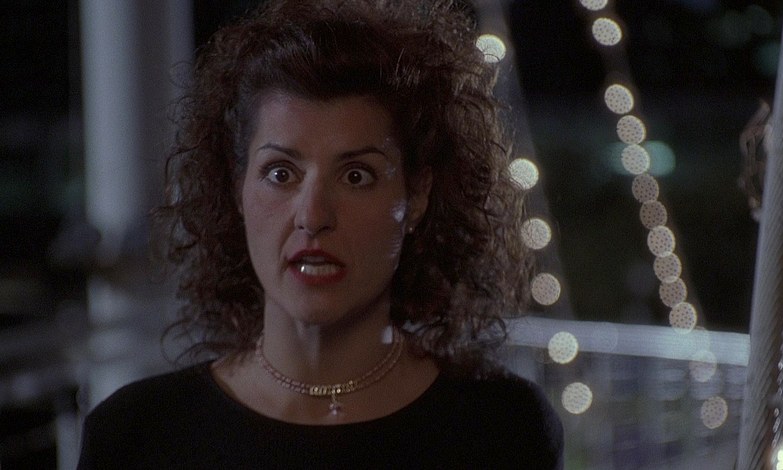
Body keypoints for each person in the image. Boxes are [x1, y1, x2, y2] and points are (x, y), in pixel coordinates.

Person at [77, 0, 564, 468]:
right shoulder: (135, 435)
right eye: (280, 173)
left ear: (416, 195)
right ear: (237, 188)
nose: (312, 216)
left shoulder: (503, 429)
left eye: (356, 176)